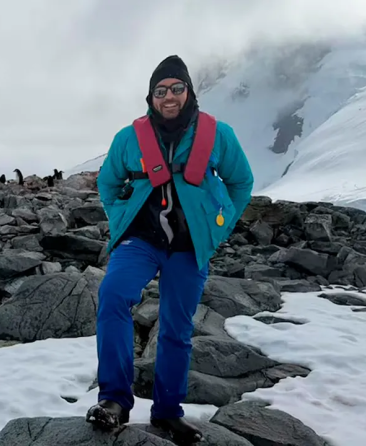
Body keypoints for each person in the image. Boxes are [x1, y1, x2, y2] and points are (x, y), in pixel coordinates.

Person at [86, 55, 254, 442]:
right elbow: (108, 183)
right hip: (140, 241)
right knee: (113, 295)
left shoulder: (218, 134)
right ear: (151, 97)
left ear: (189, 92)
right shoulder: (129, 138)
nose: (169, 96)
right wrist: (120, 219)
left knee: (177, 327)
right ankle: (114, 400)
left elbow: (241, 182)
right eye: (160, 91)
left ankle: (167, 412)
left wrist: (219, 228)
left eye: (177, 88)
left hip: (189, 246)